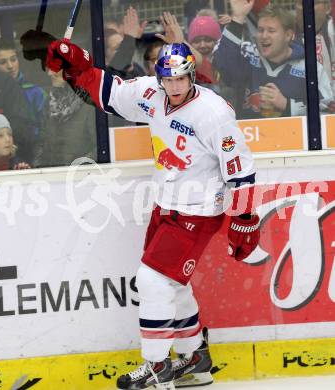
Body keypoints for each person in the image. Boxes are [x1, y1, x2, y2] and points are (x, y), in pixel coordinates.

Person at [46, 37, 260, 389]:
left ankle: (157, 366)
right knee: (172, 285)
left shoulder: (214, 112)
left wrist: (245, 218)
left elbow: (239, 167)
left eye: (181, 79)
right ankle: (195, 358)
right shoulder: (151, 93)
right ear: (159, 76)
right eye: (168, 79)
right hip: (167, 205)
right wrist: (75, 66)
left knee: (151, 281)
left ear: (192, 75)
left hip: (200, 210)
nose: (174, 86)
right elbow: (108, 91)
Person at [212, 1, 334, 119]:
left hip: (293, 138)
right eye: (260, 30)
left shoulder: (310, 68)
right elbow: (222, 65)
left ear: (288, 35)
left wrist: (287, 105)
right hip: (249, 135)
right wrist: (237, 19)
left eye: (271, 31)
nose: (264, 36)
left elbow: (328, 111)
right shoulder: (248, 54)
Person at [34, 68, 97, 167]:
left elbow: (101, 148)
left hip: (81, 177)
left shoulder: (91, 103)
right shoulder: (50, 102)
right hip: (53, 176)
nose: (50, 73)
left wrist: (78, 168)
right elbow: (42, 142)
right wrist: (38, 170)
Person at [0, 39, 46, 138]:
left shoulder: (36, 92)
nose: (10, 66)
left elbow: (45, 128)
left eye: (13, 59)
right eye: (2, 62)